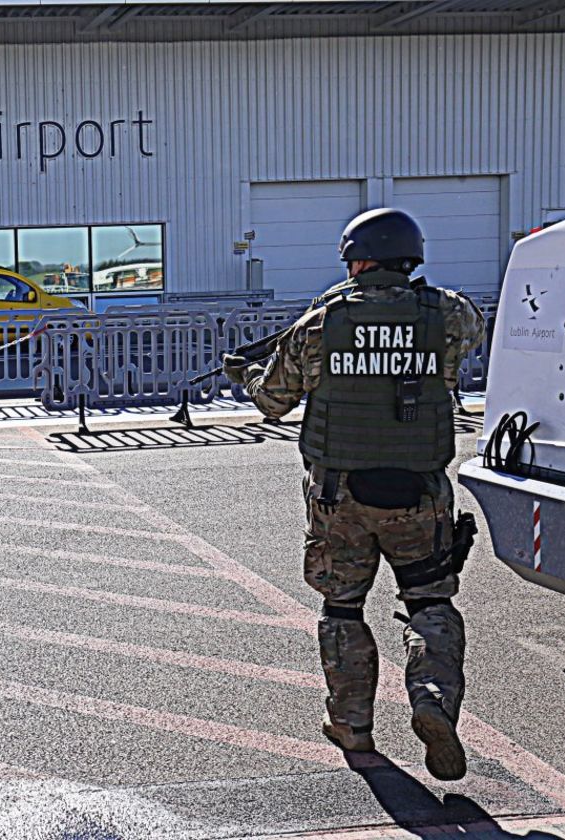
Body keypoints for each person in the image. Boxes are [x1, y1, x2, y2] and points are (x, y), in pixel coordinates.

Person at [222, 208, 485, 781]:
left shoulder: (319, 323)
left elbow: (273, 402)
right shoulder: (451, 313)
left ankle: (351, 723)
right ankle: (433, 700)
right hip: (419, 493)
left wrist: (245, 375)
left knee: (342, 607)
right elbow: (469, 336)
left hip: (339, 496)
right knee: (430, 602)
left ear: (357, 261)